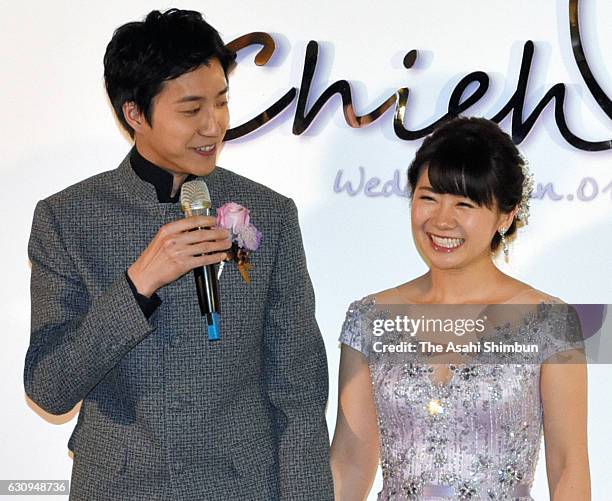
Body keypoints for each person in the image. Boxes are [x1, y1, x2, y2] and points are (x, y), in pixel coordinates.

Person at [24, 9, 333, 501]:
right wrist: (138, 285)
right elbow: (49, 387)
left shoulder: (270, 215)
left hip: (243, 486)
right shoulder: (68, 218)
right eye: (191, 110)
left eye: (222, 103)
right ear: (134, 113)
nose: (214, 127)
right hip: (121, 486)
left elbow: (298, 390)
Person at [330, 117, 590, 500]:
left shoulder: (551, 321)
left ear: (506, 214)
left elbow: (569, 465)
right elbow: (350, 461)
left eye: (464, 203)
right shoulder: (369, 318)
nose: (441, 220)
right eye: (429, 197)